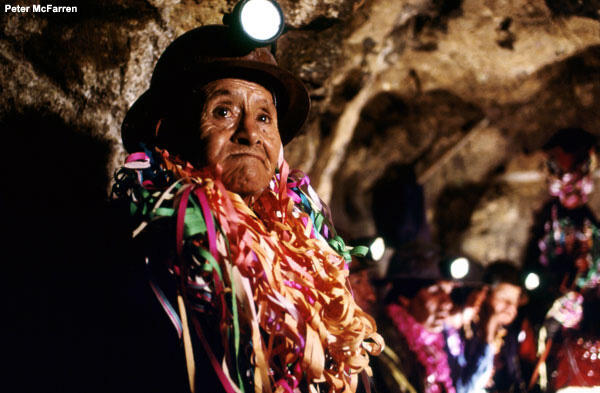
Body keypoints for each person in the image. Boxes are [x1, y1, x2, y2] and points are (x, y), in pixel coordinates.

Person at [113, 23, 382, 393]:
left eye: (264, 117)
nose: (250, 133)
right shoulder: (146, 246)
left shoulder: (308, 253)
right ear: (169, 132)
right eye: (223, 111)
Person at [523, 128, 600, 392]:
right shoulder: (549, 220)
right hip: (556, 308)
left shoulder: (590, 223)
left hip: (588, 314)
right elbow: (537, 266)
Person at [372, 241, 460, 393]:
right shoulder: (383, 344)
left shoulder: (436, 343)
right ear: (405, 297)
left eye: (448, 292)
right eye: (435, 291)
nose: (447, 303)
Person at [451, 261, 527, 393]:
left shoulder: (508, 335)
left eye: (515, 301)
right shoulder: (461, 330)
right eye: (504, 299)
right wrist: (488, 337)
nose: (511, 307)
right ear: (485, 295)